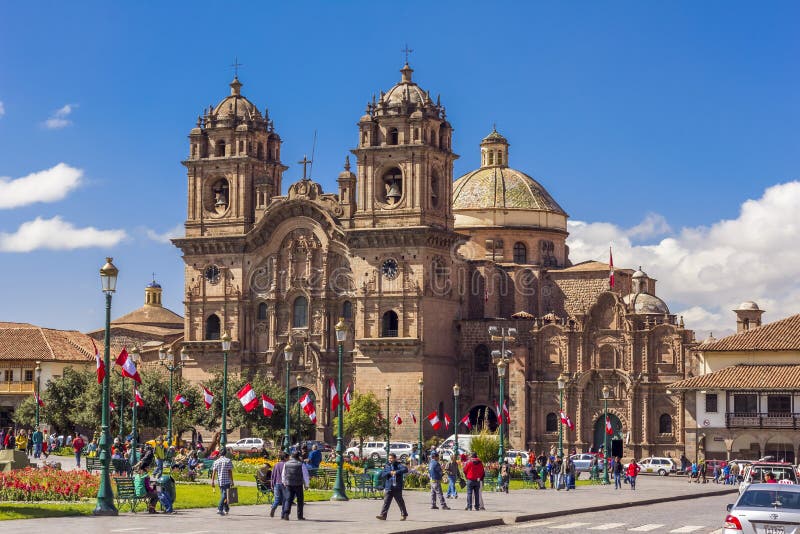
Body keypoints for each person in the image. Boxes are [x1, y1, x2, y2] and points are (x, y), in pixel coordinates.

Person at [376, 452, 409, 521]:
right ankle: (383, 515)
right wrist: (389, 472)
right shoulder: (387, 466)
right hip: (389, 487)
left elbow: (405, 469)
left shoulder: (399, 465)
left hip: (397, 487)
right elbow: (383, 474)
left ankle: (404, 515)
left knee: (400, 502)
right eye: (389, 458)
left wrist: (396, 472)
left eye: (391, 458)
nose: (390, 460)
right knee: (386, 502)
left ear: (395, 458)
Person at [281, 451, 309, 520]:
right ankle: (300, 516)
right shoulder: (301, 464)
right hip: (298, 484)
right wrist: (306, 484)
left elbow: (283, 474)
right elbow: (305, 475)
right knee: (300, 500)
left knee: (288, 499)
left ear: (292, 456)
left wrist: (284, 482)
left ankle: (286, 514)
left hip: (289, 483)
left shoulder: (286, 464)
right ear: (298, 456)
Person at [211, 447, 234, 516]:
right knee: (224, 495)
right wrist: (232, 481)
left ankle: (226, 509)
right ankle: (220, 508)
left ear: (220, 453)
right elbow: (230, 472)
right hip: (227, 481)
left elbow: (214, 472)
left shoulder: (216, 461)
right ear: (226, 453)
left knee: (224, 495)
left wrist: (212, 481)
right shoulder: (228, 461)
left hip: (220, 481)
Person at [270, 452, 288, 518]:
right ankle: (283, 514)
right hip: (284, 484)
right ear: (285, 458)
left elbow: (273, 475)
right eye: (288, 457)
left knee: (277, 499)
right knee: (284, 499)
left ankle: (273, 507)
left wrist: (272, 484)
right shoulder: (286, 465)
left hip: (276, 483)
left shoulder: (276, 465)